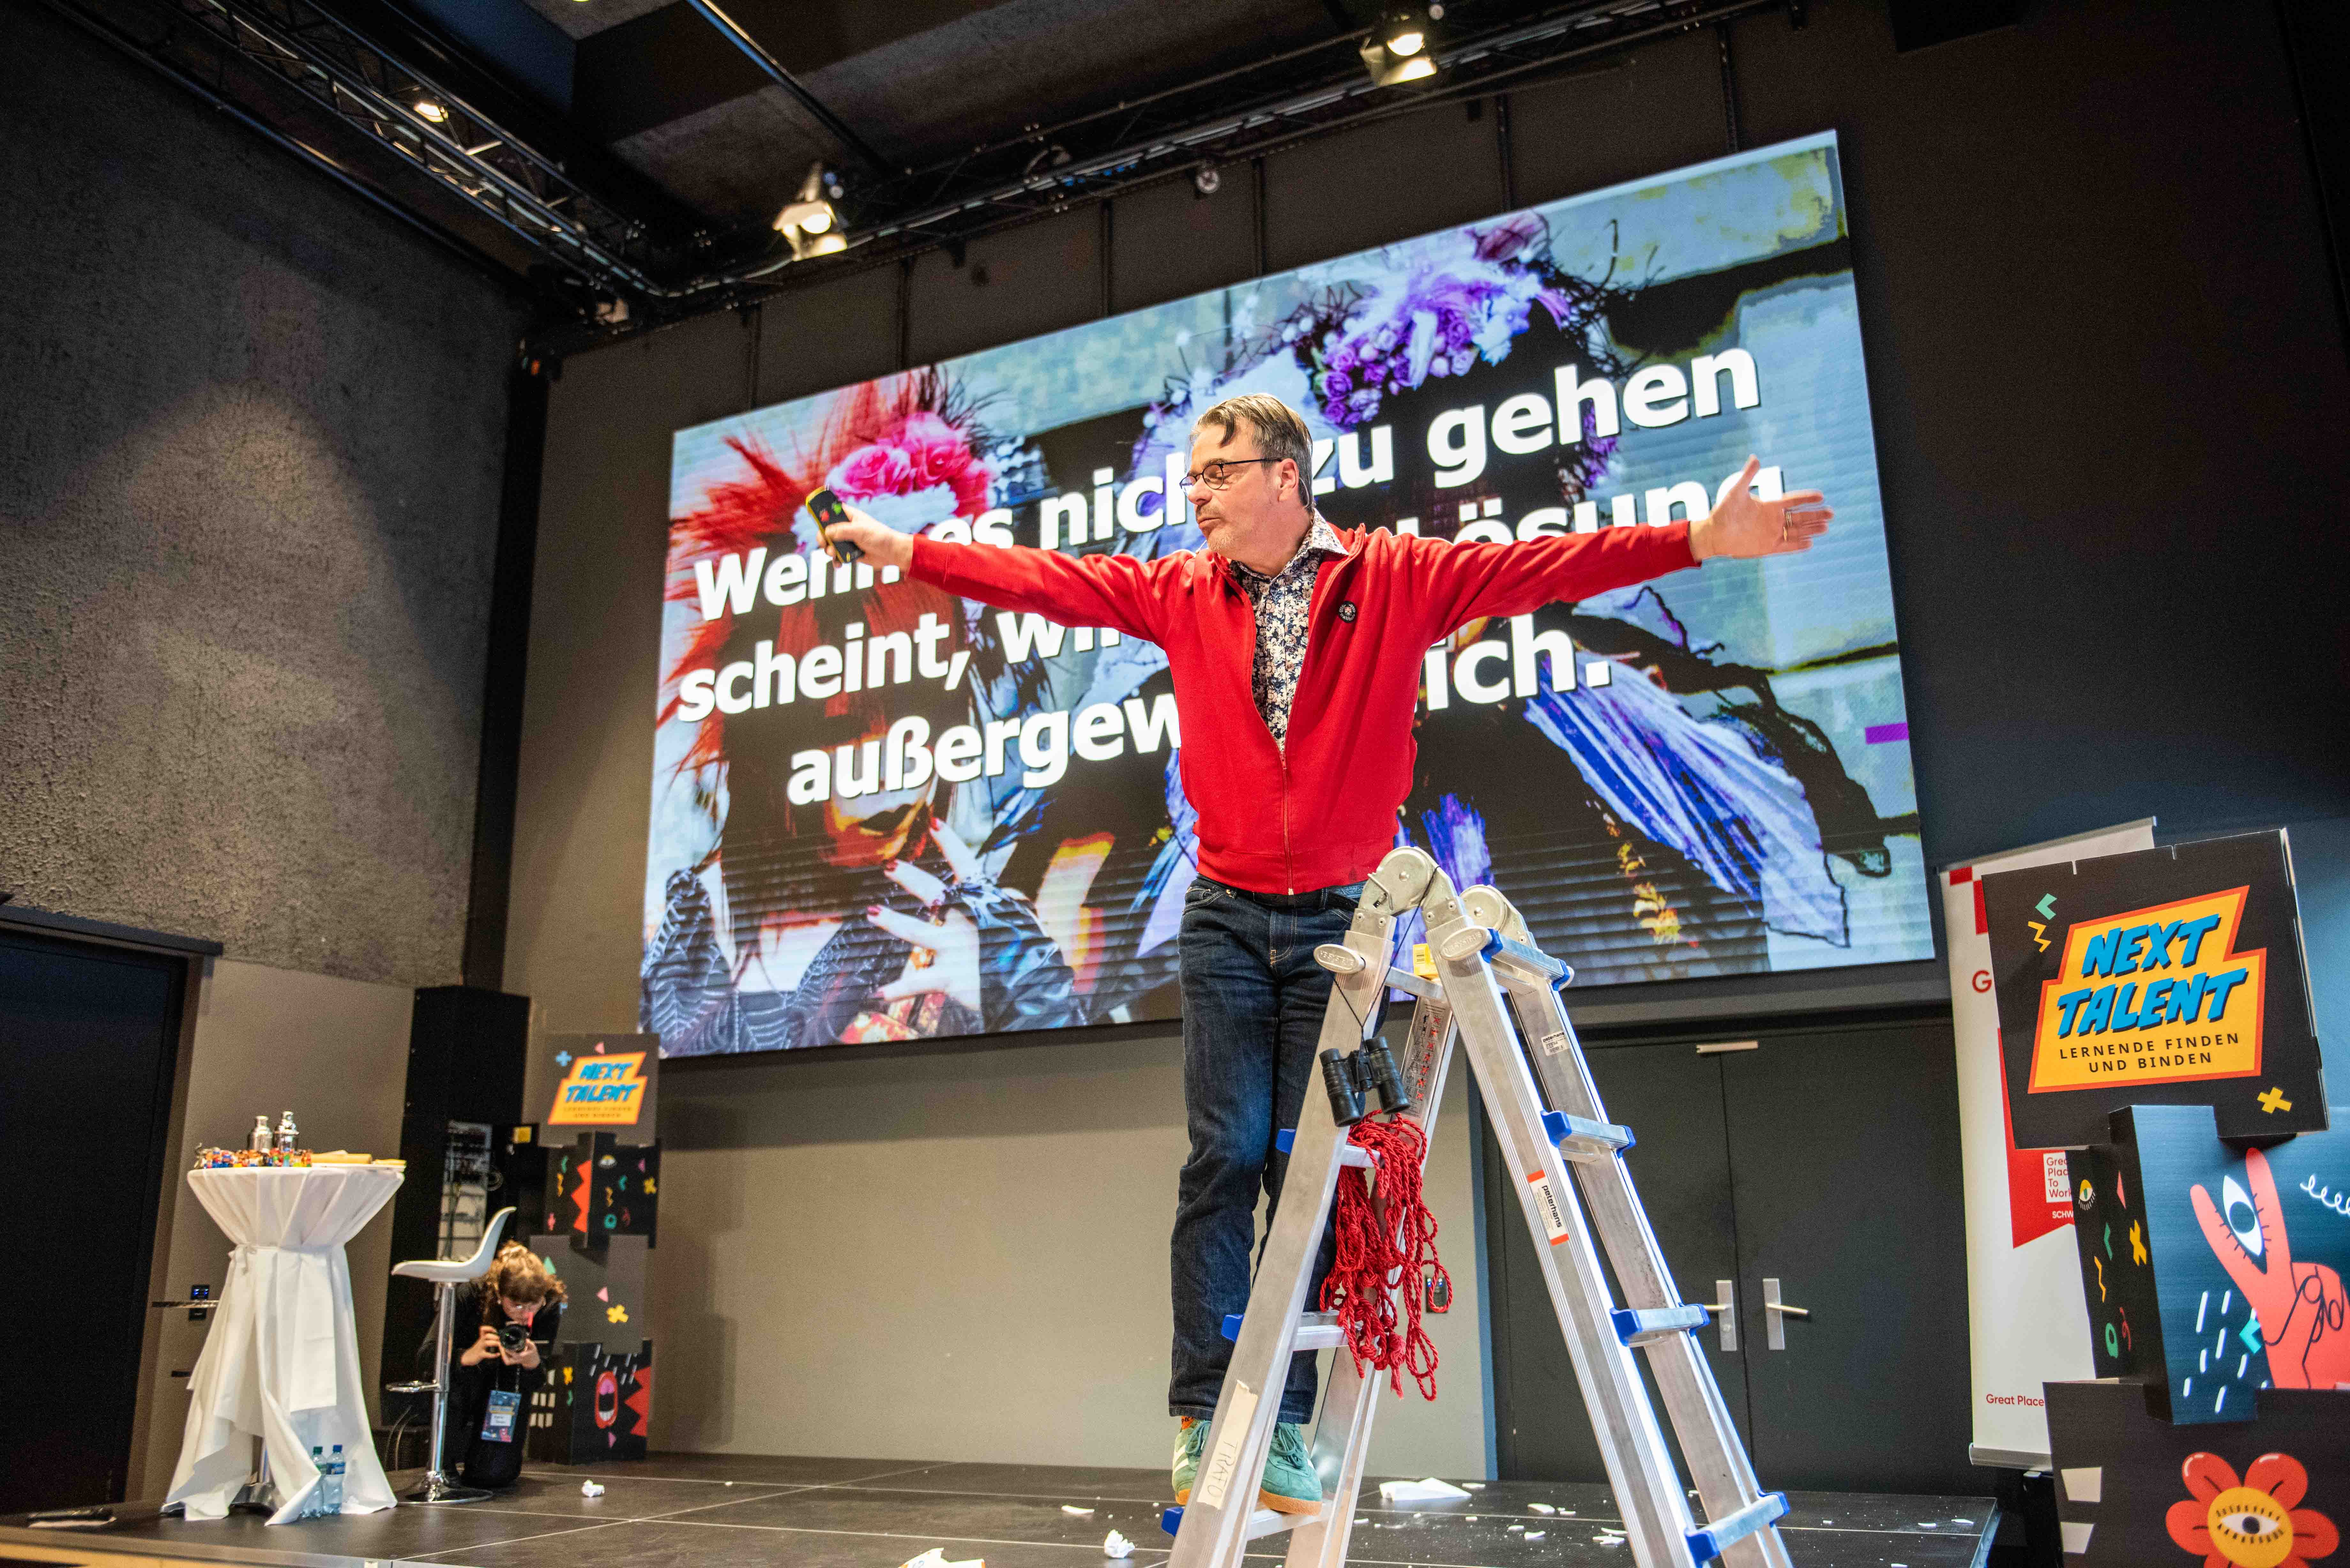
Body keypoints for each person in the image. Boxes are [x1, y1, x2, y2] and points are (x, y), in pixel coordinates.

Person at [824, 392, 1831, 1513]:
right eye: (1190, 480)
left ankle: (1285, 1428)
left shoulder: (1394, 577)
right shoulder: (1178, 590)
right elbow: (1044, 580)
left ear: (1286, 475)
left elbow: (1547, 566)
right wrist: (906, 547)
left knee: (1312, 1171)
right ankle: (1205, 1421)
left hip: (1344, 930)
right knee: (1226, 1157)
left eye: (1216, 474)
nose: (1194, 496)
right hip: (1221, 913)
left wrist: (1698, 540)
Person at [416, 1241, 566, 1490]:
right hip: (464, 1383)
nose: (525, 1315)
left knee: (494, 1476)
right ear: (498, 1295)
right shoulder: (470, 1295)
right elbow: (426, 1356)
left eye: (533, 1306)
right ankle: (445, 1461)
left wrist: (534, 1364)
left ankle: (486, 1461)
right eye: (516, 1305)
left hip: (508, 1386)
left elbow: (537, 1380)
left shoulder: (548, 1305)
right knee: (454, 1387)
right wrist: (467, 1356)